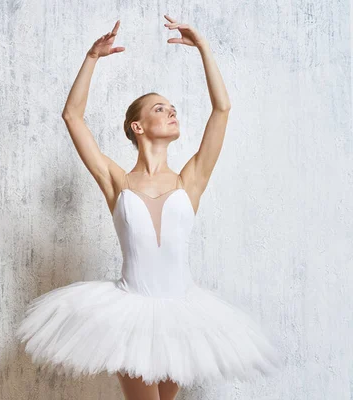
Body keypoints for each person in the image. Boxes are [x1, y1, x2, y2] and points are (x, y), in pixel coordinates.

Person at [16, 15, 282, 400]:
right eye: (159, 108)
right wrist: (91, 57)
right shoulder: (117, 181)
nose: (171, 111)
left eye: (172, 107)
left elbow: (221, 110)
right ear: (137, 127)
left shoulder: (190, 179)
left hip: (182, 315)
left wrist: (204, 48)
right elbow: (72, 117)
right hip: (131, 315)